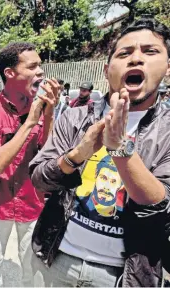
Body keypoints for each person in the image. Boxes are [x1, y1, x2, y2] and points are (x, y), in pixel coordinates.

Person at [29, 18, 170, 287]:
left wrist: (121, 149)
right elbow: (39, 177)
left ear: (167, 67)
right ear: (107, 70)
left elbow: (162, 210)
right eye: (125, 53)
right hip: (55, 259)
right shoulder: (75, 116)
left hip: (123, 276)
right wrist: (77, 154)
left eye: (150, 52)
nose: (136, 59)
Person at [0, 42, 59, 287]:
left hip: (32, 203)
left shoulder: (44, 107)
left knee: (32, 265)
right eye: (32, 66)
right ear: (10, 73)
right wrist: (30, 122)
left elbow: (49, 155)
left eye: (40, 65)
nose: (40, 72)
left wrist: (49, 114)